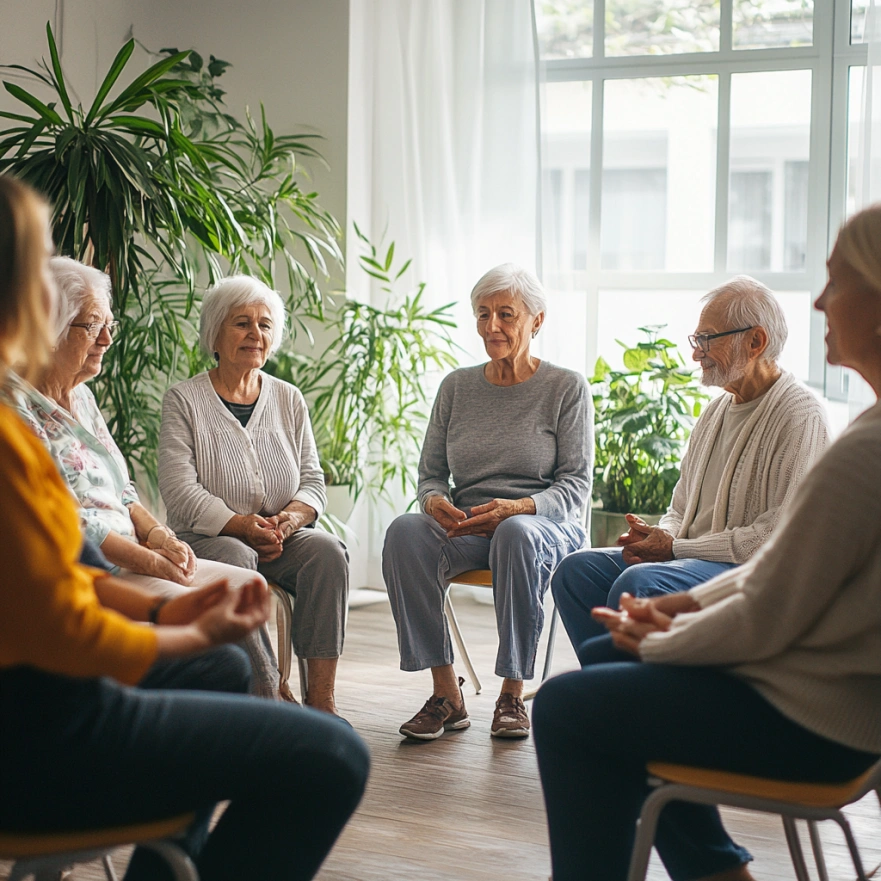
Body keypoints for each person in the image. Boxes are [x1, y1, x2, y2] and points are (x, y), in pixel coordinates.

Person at [0, 173, 369, 881]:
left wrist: (167, 604)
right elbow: (59, 624)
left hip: (46, 691)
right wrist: (180, 629)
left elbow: (64, 553)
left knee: (227, 661)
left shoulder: (44, 418)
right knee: (333, 757)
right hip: (38, 731)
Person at [533, 204, 881, 881]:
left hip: (823, 717)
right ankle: (714, 868)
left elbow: (771, 594)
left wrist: (663, 634)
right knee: (598, 618)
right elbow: (782, 576)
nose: (816, 301)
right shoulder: (828, 428)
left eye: (836, 282)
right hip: (812, 681)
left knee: (571, 704)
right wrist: (677, 592)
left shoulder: (845, 441)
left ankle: (711, 867)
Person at [1, 256, 284, 700]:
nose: (108, 339)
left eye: (108, 324)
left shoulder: (83, 397)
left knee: (246, 583)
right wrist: (147, 560)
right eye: (93, 326)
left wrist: (160, 536)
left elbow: (124, 490)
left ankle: (265, 706)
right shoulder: (13, 409)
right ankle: (264, 717)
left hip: (132, 554)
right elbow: (70, 524)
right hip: (95, 568)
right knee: (222, 612)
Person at [552, 276, 831, 650]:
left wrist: (673, 549)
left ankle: (636, 696)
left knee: (637, 584)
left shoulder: (801, 415)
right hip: (686, 557)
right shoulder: (715, 411)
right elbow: (679, 508)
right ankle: (621, 695)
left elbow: (775, 540)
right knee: (574, 571)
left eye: (707, 339)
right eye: (696, 340)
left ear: (756, 341)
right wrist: (659, 537)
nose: (696, 353)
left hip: (744, 573)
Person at [383, 263, 592, 740]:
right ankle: (445, 692)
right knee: (405, 531)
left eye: (506, 314)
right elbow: (430, 475)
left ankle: (512, 694)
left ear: (536, 321)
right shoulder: (456, 387)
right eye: (482, 314)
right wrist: (434, 500)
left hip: (542, 524)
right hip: (471, 524)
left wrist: (516, 509)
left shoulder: (565, 388)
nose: (491, 326)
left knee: (515, 534)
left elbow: (575, 486)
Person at [159, 275, 348, 715]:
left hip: (282, 536)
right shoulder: (183, 400)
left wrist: (292, 519)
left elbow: (313, 482)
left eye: (264, 325)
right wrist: (243, 526)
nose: (255, 334)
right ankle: (267, 700)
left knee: (327, 553)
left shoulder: (288, 398)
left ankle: (321, 704)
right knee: (236, 558)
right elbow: (180, 492)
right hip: (209, 539)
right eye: (241, 323)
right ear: (215, 335)